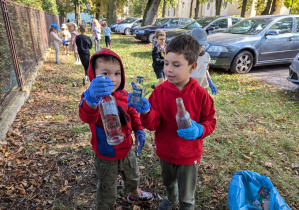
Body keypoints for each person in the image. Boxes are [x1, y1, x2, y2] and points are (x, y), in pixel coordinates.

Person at [128, 34, 216, 210]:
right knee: (169, 183)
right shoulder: (159, 92)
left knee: (187, 196)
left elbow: (210, 122)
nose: (168, 69)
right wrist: (146, 111)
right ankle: (171, 198)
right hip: (166, 152)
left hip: (189, 155)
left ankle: (185, 204)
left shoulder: (201, 95)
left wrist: (199, 130)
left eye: (176, 65)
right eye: (166, 63)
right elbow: (153, 124)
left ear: (192, 67)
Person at [78, 48, 153, 209]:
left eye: (117, 73)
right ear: (93, 75)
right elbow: (86, 116)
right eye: (105, 74)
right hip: (106, 155)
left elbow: (132, 111)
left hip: (127, 149)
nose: (112, 79)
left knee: (133, 177)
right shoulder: (91, 97)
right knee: (107, 189)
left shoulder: (124, 94)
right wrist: (91, 99)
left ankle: (134, 193)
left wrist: (139, 129)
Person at [190, 28, 217, 95]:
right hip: (190, 87)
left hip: (203, 87)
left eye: (201, 45)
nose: (199, 48)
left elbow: (205, 69)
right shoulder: (187, 56)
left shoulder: (207, 56)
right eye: (197, 45)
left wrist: (210, 81)